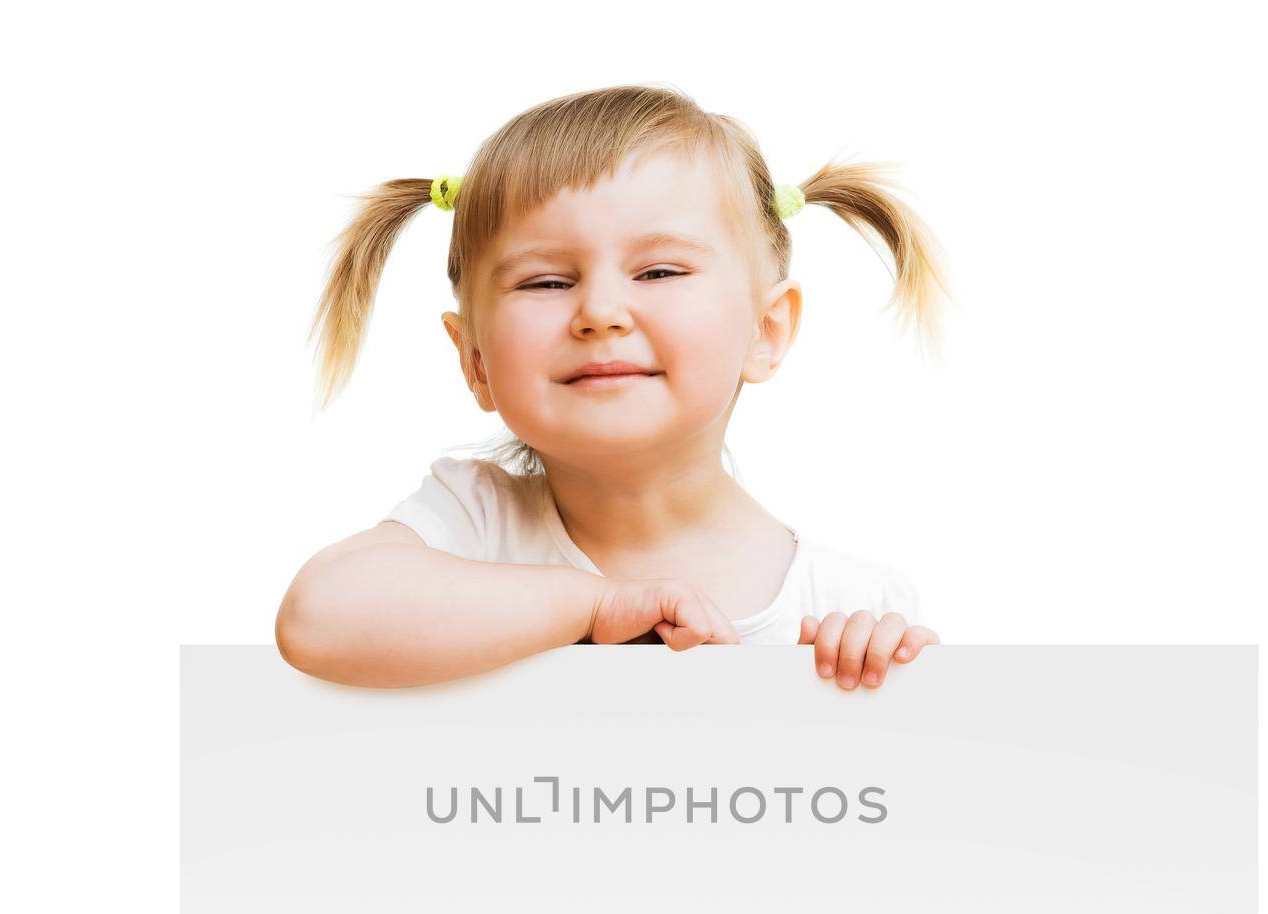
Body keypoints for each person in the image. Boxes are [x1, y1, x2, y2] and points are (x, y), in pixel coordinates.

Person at [276, 84, 949, 690]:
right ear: (475, 359)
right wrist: (594, 606)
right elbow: (315, 619)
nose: (600, 312)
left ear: (764, 331)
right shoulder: (471, 524)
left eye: (658, 272)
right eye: (545, 282)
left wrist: (880, 683)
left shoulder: (848, 602)